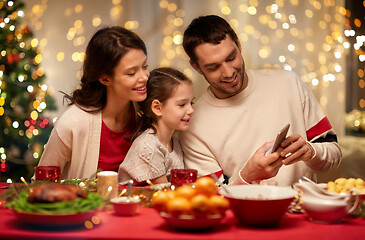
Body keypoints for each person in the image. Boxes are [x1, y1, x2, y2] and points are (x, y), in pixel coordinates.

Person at [180, 15, 342, 186]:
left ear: (239, 45)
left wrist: (311, 152)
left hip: (301, 210)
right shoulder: (192, 125)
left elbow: (334, 154)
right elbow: (210, 199)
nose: (228, 73)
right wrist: (246, 176)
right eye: (213, 67)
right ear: (196, 67)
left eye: (231, 58)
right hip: (244, 213)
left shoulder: (288, 83)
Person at [36, 26, 149, 179]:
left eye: (145, 67)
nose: (144, 77)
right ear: (105, 78)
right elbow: (42, 183)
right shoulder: (73, 123)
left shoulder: (146, 111)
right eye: (131, 73)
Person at [118, 67, 195, 185]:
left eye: (191, 103)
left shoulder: (175, 143)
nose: (191, 110)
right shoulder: (148, 147)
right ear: (157, 108)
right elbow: (163, 192)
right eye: (182, 104)